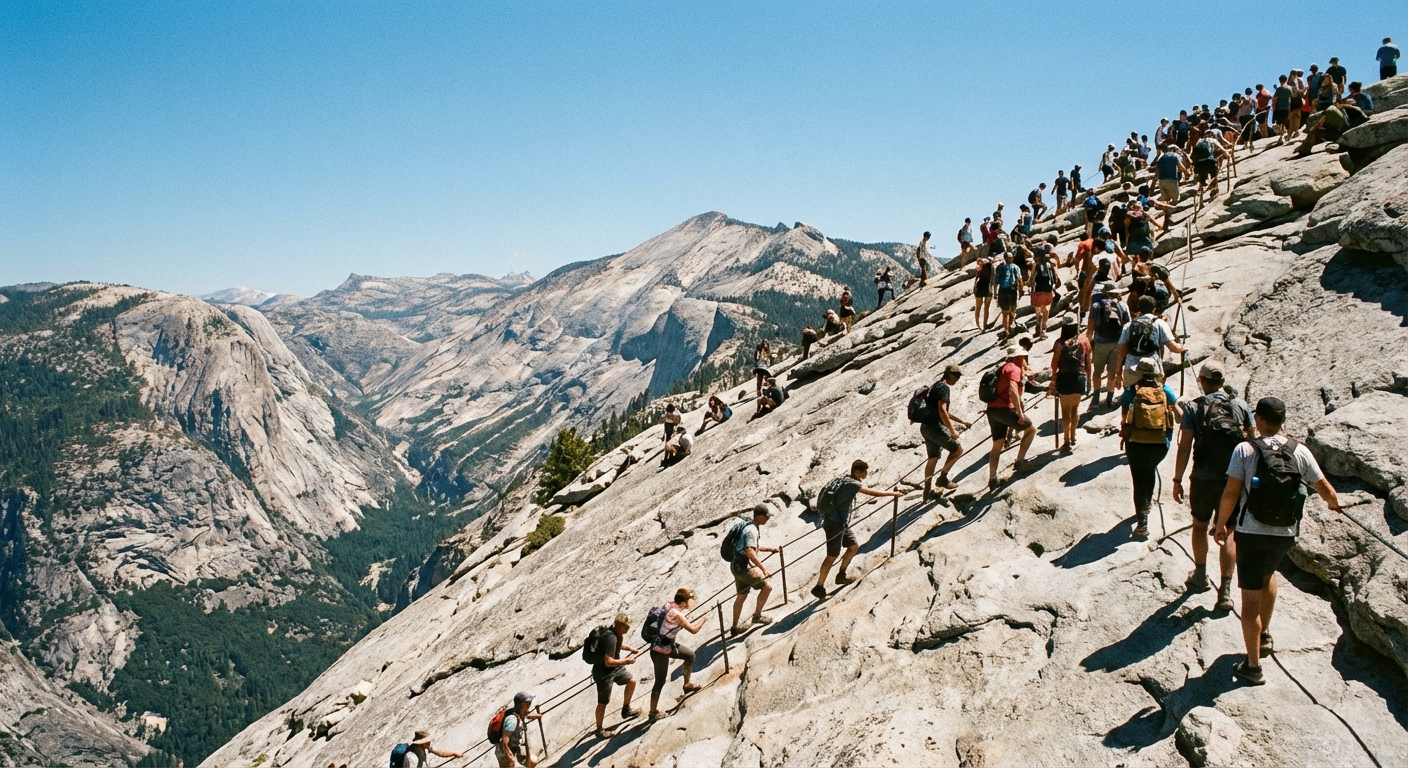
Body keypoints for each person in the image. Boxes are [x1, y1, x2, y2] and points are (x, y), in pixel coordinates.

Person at [1213, 397, 1344, 686]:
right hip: (1285, 534)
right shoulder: (1300, 451)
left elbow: (1231, 492)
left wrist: (1220, 524)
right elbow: (1325, 488)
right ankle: (1265, 634)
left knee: (1249, 603)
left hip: (1251, 532)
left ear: (1258, 418)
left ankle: (1253, 666)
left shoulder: (1245, 450)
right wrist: (1334, 504)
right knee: (1269, 574)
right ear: (1282, 420)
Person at [1171, 361, 1254, 611]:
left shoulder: (1194, 407)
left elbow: (1185, 446)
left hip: (1203, 478)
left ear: (1203, 381)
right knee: (1229, 531)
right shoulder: (1240, 406)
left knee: (1199, 525)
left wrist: (1177, 479)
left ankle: (1200, 575)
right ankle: (1226, 591)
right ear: (1223, 381)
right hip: (1233, 480)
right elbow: (1252, 441)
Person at [811, 460, 904, 599]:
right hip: (833, 523)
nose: (866, 473)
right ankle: (819, 587)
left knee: (853, 546)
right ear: (857, 472)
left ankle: (841, 575)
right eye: (864, 471)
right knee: (832, 556)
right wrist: (893, 494)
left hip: (840, 522)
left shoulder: (843, 478)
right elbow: (873, 493)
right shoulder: (854, 484)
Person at [1119, 359, 1180, 538]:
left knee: (1138, 480)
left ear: (1139, 374)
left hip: (1136, 443)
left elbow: (1124, 420)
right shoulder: (1165, 390)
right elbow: (1177, 413)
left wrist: (1124, 436)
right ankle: (1147, 505)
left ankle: (1142, 524)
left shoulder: (1130, 392)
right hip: (1160, 444)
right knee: (1150, 470)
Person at [647, 588, 705, 720]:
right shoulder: (678, 615)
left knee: (689, 655)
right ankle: (652, 712)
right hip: (660, 651)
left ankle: (687, 684)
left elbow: (673, 619)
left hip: (666, 645)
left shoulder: (669, 605)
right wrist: (704, 620)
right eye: (689, 601)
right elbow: (694, 630)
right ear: (684, 602)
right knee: (660, 681)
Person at [985, 343, 1038, 489]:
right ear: (1018, 356)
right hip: (1005, 409)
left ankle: (992, 477)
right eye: (1023, 356)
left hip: (992, 410)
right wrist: (1020, 413)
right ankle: (1020, 461)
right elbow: (1013, 390)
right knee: (1031, 429)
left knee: (997, 444)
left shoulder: (1002, 367)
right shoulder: (1014, 369)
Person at [918, 364, 972, 498]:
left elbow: (944, 412)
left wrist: (962, 422)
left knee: (933, 457)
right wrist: (953, 431)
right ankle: (942, 479)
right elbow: (942, 411)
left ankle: (927, 488)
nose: (957, 379)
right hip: (935, 427)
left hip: (925, 427)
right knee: (957, 450)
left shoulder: (936, 386)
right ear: (951, 375)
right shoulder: (944, 388)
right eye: (957, 376)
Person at [730, 504, 779, 634]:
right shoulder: (751, 530)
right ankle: (757, 616)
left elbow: (751, 546)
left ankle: (734, 628)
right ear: (759, 516)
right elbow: (749, 551)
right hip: (744, 567)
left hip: (736, 565)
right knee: (767, 587)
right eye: (766, 517)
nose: (768, 519)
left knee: (741, 596)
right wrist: (764, 570)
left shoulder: (749, 526)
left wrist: (770, 549)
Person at [1118, 295, 1185, 387]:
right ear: (1154, 308)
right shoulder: (1160, 323)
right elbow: (1173, 347)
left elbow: (1121, 353)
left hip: (1131, 368)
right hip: (1152, 367)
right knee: (1159, 393)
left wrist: (1118, 374)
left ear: (1139, 308)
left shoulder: (1129, 326)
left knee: (1130, 393)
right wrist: (1182, 348)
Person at [592, 613, 640, 738]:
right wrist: (627, 661)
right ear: (618, 625)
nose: (627, 630)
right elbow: (608, 662)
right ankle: (599, 730)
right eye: (625, 627)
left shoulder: (616, 634)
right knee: (603, 702)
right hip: (604, 674)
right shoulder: (610, 637)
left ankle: (626, 709)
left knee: (632, 681)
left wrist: (630, 648)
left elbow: (617, 645)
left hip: (615, 668)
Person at [1049, 316, 1091, 454]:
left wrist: (1053, 378)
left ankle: (1066, 441)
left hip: (1064, 378)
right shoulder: (1084, 340)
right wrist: (1089, 379)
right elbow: (1088, 361)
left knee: (1065, 412)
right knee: (1075, 409)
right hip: (1079, 378)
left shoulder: (1059, 343)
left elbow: (1055, 362)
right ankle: (1073, 435)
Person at [1087, 282, 1129, 409]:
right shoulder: (1122, 306)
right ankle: (1109, 400)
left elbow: (1090, 328)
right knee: (1112, 372)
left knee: (1097, 372)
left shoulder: (1096, 306)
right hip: (1117, 343)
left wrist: (1088, 345)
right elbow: (1127, 325)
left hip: (1100, 343)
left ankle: (1095, 398)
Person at [494, 693, 541, 768]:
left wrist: (534, 716)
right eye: (528, 704)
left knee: (532, 761)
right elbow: (504, 739)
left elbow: (524, 715)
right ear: (523, 705)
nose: (529, 705)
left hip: (515, 748)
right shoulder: (512, 720)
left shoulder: (518, 712)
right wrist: (508, 755)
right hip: (504, 753)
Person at [1029, 246, 1060, 340]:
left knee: (1038, 310)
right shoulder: (1050, 263)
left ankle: (1039, 324)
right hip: (1048, 290)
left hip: (1038, 290)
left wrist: (1029, 287)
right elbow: (1055, 277)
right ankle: (1044, 329)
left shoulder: (1036, 265)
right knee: (1046, 309)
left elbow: (1032, 279)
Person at [993, 249, 1024, 339]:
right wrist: (995, 293)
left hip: (1009, 290)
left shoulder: (1004, 267)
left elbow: (1019, 279)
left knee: (1009, 311)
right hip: (1007, 290)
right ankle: (1007, 329)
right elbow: (1019, 278)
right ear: (1006, 258)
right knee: (1007, 312)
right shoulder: (1012, 267)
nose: (1010, 259)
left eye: (1011, 258)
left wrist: (1021, 288)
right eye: (1009, 258)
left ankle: (1008, 328)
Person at [1190, 131, 1225, 203]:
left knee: (1202, 181)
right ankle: (1214, 191)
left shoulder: (1199, 141)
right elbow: (1222, 149)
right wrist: (1226, 153)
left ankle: (1201, 201)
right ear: (1212, 135)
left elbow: (1195, 152)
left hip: (1200, 163)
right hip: (1210, 161)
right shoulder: (1213, 140)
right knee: (1214, 176)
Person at [397, 731, 463, 768]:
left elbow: (439, 752)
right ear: (421, 743)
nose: (429, 742)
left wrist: (454, 753)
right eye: (427, 741)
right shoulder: (412, 757)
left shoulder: (425, 747)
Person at [972, 250, 995, 331]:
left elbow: (976, 279)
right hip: (986, 287)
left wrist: (974, 287)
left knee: (979, 307)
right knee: (985, 307)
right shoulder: (990, 266)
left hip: (981, 287)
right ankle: (983, 325)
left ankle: (980, 325)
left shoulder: (982, 268)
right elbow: (993, 280)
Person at [1271, 75, 1293, 143]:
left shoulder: (1279, 89)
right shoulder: (1289, 88)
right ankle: (1288, 135)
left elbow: (1275, 98)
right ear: (1286, 80)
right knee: (1286, 121)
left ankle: (1281, 137)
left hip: (1280, 107)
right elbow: (1291, 96)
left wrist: (1273, 106)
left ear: (1279, 80)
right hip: (1287, 106)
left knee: (1280, 123)